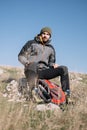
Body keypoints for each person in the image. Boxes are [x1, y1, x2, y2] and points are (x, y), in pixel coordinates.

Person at [18, 27, 71, 103]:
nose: (45, 36)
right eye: (44, 33)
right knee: (34, 64)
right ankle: (34, 92)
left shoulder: (51, 48)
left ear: (50, 36)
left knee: (64, 69)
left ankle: (67, 95)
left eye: (48, 34)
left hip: (43, 72)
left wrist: (53, 65)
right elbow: (21, 56)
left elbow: (51, 62)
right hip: (31, 70)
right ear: (40, 34)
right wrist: (27, 62)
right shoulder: (31, 43)